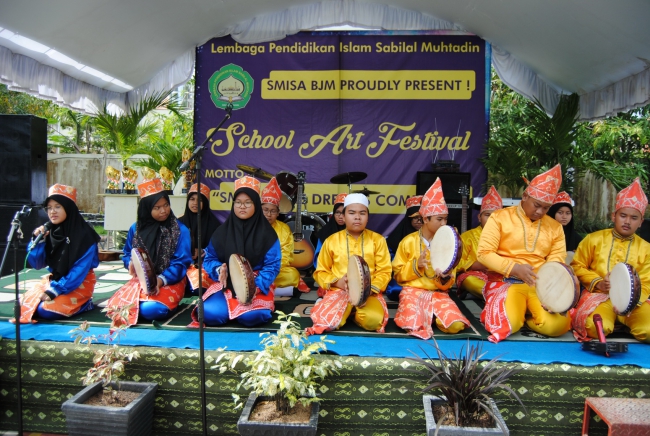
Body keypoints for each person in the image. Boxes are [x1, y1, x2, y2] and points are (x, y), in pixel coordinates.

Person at [476, 164, 572, 342]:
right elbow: (484, 253)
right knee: (507, 324)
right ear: (525, 196)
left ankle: (527, 317)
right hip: (506, 281)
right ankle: (519, 313)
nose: (540, 211)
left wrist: (551, 290)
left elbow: (556, 261)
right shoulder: (499, 217)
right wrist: (514, 269)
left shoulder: (555, 227)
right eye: (537, 205)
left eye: (546, 208)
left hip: (539, 286)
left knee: (557, 326)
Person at [571, 178, 650, 343]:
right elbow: (577, 266)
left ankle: (625, 321)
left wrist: (630, 302)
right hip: (599, 297)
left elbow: (646, 281)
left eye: (634, 218)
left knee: (648, 330)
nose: (627, 221)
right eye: (623, 215)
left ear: (641, 222)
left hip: (634, 304)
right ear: (614, 216)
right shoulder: (593, 239)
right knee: (596, 327)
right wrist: (598, 282)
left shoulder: (646, 248)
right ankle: (613, 322)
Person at [194, 176, 281, 327]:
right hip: (227, 283)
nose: (242, 207)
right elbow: (209, 258)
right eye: (238, 202)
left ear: (256, 205)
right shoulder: (222, 232)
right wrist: (219, 269)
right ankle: (231, 310)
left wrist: (253, 288)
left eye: (248, 202)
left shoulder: (268, 234)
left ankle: (240, 311)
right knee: (210, 314)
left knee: (253, 317)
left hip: (256, 283)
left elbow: (272, 266)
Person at [106, 179, 192, 328]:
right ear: (146, 209)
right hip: (141, 280)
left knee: (152, 309)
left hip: (170, 279)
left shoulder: (180, 230)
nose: (163, 210)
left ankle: (165, 304)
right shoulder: (136, 229)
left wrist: (160, 280)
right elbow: (127, 253)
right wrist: (130, 263)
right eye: (157, 207)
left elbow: (181, 263)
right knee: (116, 309)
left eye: (166, 205)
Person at [393, 178, 470, 339]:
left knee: (455, 326)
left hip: (438, 293)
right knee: (412, 325)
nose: (444, 223)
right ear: (425, 219)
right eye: (439, 219)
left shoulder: (450, 243)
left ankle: (432, 315)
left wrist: (445, 278)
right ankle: (428, 316)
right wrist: (416, 265)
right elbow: (398, 275)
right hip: (413, 292)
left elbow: (451, 279)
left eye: (445, 219)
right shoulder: (408, 242)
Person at [306, 193, 392, 335]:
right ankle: (342, 310)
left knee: (373, 321)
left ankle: (351, 313)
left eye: (362, 213)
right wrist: (338, 282)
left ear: (367, 217)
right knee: (325, 322)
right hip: (339, 290)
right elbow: (320, 271)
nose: (357, 217)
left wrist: (367, 290)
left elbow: (384, 271)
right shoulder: (331, 240)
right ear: (344, 217)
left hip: (369, 294)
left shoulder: (378, 240)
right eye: (352, 213)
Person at [14, 184, 100, 324]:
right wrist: (39, 241)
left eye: (58, 206)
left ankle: (85, 304)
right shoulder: (50, 231)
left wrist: (55, 290)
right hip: (55, 280)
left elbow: (79, 270)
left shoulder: (85, 235)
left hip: (78, 282)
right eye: (49, 208)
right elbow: (37, 264)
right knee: (22, 305)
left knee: (45, 310)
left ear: (68, 208)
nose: (52, 211)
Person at [260, 177, 310, 296]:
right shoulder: (252, 226)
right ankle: (273, 288)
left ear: (278, 213)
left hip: (275, 269)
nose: (269, 214)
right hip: (254, 269)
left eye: (273, 211)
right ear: (259, 210)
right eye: (265, 210)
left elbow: (286, 256)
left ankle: (261, 287)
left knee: (292, 275)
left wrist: (270, 269)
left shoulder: (284, 229)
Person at [456, 186, 503, 299]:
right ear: (479, 217)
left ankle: (492, 294)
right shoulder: (467, 236)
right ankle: (495, 295)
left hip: (499, 275)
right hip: (475, 275)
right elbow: (456, 263)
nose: (491, 219)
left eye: (496, 216)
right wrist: (474, 265)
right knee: (469, 280)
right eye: (487, 215)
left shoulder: (508, 237)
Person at [178, 183, 221, 293]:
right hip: (181, 264)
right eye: (192, 199)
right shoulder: (178, 224)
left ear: (205, 203)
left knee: (200, 285)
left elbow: (219, 249)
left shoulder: (215, 225)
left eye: (199, 200)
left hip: (204, 265)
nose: (195, 203)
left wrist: (202, 251)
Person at [384, 195, 423, 301]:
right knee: (394, 290)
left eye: (421, 218)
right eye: (415, 217)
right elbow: (393, 267)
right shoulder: (396, 238)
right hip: (403, 276)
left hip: (426, 276)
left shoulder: (433, 236)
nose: (419, 221)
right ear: (408, 218)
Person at [313, 193, 347, 297]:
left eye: (344, 213)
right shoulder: (325, 233)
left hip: (350, 274)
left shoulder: (355, 232)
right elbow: (319, 260)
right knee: (327, 289)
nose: (340, 217)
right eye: (337, 213)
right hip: (330, 274)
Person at [547, 191, 583, 261]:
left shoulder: (577, 239)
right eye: (560, 213)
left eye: (568, 213)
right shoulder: (543, 233)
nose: (564, 217)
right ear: (552, 213)